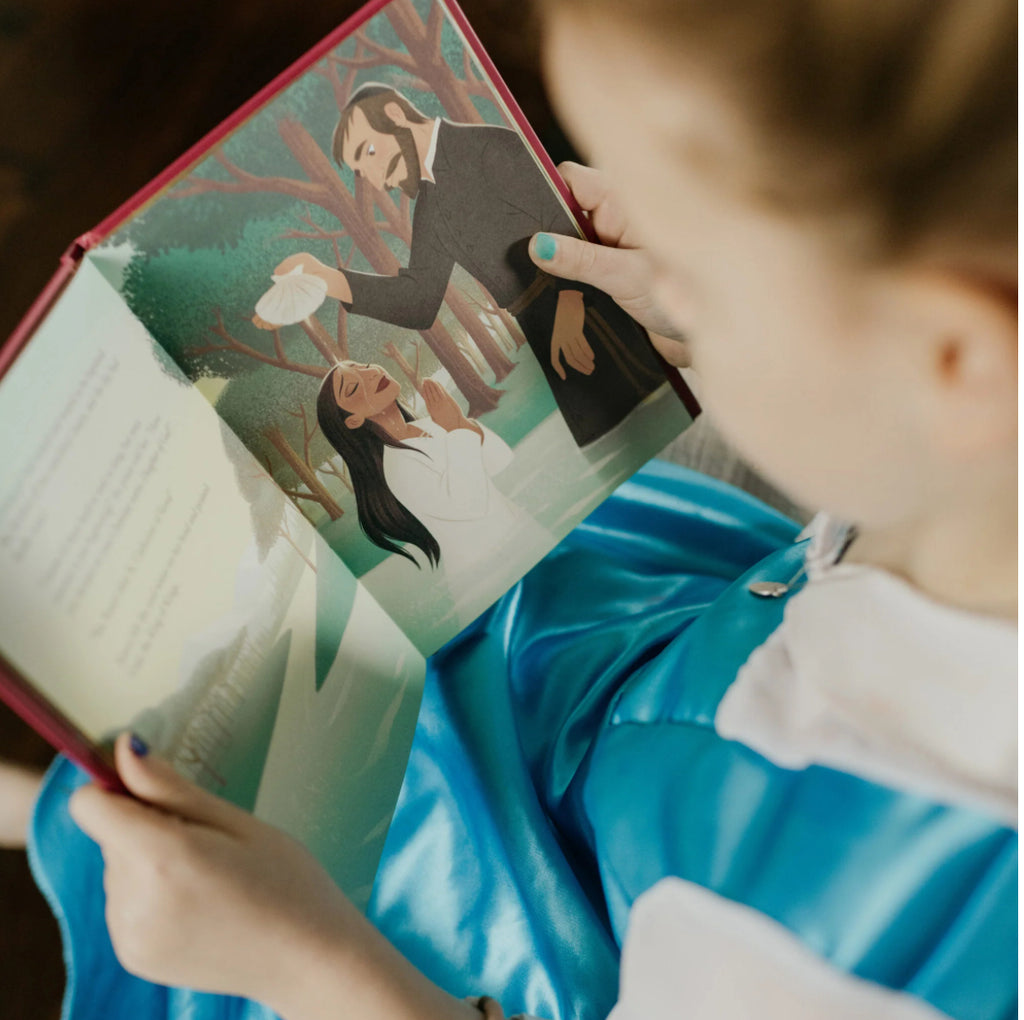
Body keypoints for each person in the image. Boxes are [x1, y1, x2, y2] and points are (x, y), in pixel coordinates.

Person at [8, 1, 1016, 1019]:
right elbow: (417, 295)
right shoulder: (967, 495)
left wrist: (306, 967)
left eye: (691, 270)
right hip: (659, 690)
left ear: (958, 358)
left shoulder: (814, 942)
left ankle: (59, 824)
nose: (651, 272)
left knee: (245, 790)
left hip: (574, 906)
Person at [276, 83, 668, 448]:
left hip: (592, 310)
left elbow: (556, 217)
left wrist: (570, 302)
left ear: (395, 115)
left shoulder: (487, 145)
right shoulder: (429, 205)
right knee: (610, 441)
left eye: (370, 153)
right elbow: (419, 299)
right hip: (541, 329)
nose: (376, 179)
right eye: (363, 172)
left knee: (658, 415)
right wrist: (327, 278)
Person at [316, 361, 534, 585]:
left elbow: (499, 461)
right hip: (486, 571)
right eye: (352, 388)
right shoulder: (397, 468)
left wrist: (460, 423)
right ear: (353, 420)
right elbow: (468, 505)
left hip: (519, 533)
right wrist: (455, 428)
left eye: (365, 366)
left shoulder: (430, 424)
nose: (370, 373)